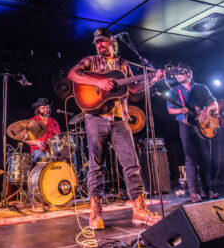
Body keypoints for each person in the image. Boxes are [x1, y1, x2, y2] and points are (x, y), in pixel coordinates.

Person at [67, 28, 164, 229]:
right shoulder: (90, 61)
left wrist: (152, 79)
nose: (100, 45)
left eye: (103, 41)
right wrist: (98, 81)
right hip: (96, 117)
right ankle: (96, 212)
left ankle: (139, 209)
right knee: (96, 165)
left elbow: (134, 90)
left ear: (112, 42)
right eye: (97, 42)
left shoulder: (123, 64)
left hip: (120, 118)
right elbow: (72, 74)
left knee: (131, 164)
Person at [166, 65, 220, 203]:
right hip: (185, 125)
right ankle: (193, 193)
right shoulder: (174, 90)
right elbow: (170, 110)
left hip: (203, 126)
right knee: (190, 158)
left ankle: (207, 190)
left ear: (189, 73)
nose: (177, 76)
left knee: (205, 158)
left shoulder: (201, 88)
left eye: (180, 73)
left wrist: (207, 109)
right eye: (176, 74)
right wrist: (180, 111)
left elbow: (214, 103)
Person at [24, 97, 60, 161]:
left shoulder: (54, 122)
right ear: (38, 109)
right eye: (43, 108)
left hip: (51, 151)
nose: (46, 110)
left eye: (47, 107)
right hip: (37, 151)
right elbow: (25, 139)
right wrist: (37, 143)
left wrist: (55, 141)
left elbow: (59, 137)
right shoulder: (32, 121)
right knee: (44, 156)